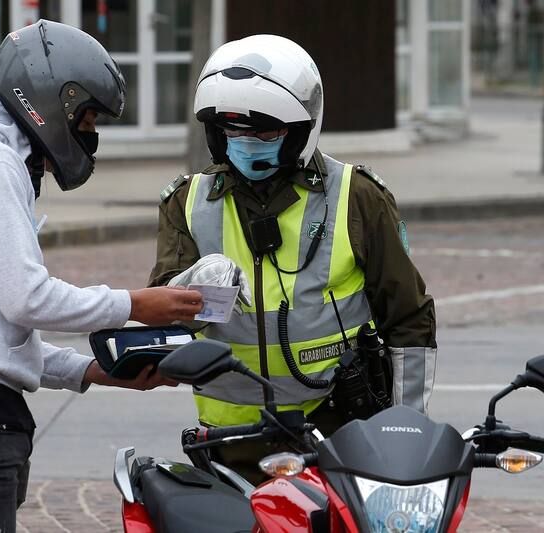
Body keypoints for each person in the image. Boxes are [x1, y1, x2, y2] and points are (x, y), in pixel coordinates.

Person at [0, 20, 203, 532]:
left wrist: (92, 371)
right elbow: (26, 299)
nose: (91, 133)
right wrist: (135, 305)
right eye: (89, 117)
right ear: (54, 100)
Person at [149, 35, 437, 482]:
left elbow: (409, 319)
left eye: (264, 131)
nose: (246, 142)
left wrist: (406, 434)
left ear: (302, 127)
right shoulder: (187, 202)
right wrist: (192, 290)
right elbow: (163, 327)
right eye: (233, 131)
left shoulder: (357, 196)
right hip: (231, 442)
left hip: (337, 432)